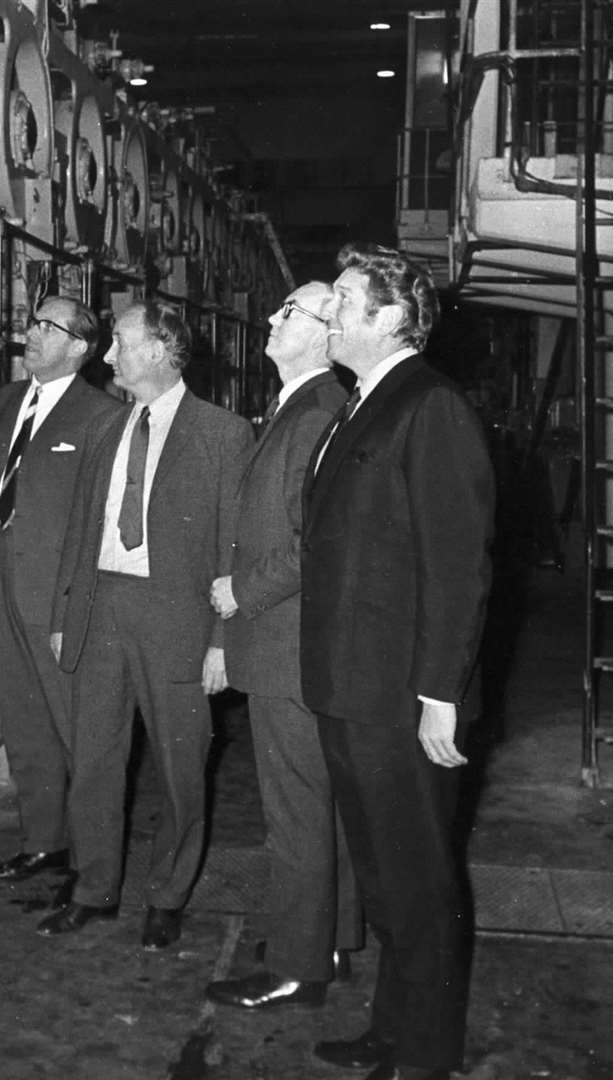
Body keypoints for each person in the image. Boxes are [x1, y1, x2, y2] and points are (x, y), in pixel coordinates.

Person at [302, 244, 494, 1080]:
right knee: (385, 880)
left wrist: (439, 693)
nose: (330, 312)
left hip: (398, 695)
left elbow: (458, 564)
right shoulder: (363, 403)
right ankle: (391, 1029)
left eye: (344, 298)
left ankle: (423, 1055)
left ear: (389, 318)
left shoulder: (430, 406)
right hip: (351, 685)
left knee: (417, 885)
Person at [42, 300, 252, 942]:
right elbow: (81, 528)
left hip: (178, 621)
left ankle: (168, 896)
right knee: (96, 759)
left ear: (159, 349)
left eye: (121, 346)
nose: (109, 358)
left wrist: (224, 641)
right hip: (102, 609)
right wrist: (64, 613)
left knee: (180, 768)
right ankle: (96, 887)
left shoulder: (224, 433)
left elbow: (234, 548)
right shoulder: (108, 427)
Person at [205, 282, 362, 1010]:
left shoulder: (319, 410)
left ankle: (298, 965)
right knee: (316, 805)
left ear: (328, 332)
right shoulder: (299, 405)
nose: (270, 318)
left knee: (296, 810)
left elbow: (316, 540)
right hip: (289, 645)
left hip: (288, 643)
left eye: (289, 312)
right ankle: (324, 937)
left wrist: (244, 591)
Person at [0, 296, 123, 883]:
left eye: (48, 327)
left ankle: (91, 856)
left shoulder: (102, 416)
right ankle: (43, 842)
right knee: (23, 718)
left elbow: (101, 522)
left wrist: (79, 605)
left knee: (75, 726)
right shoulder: (5, 402)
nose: (30, 333)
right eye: (32, 322)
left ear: (80, 347)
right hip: (2, 579)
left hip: (59, 592)